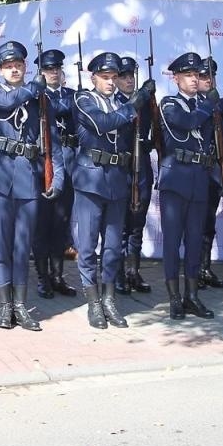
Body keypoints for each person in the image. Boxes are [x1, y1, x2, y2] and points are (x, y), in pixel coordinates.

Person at [71, 52, 154, 327]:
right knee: (87, 245)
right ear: (93, 77)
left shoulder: (122, 102)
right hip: (91, 180)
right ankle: (93, 302)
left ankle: (109, 299)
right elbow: (101, 124)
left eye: (114, 77)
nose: (110, 82)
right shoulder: (83, 99)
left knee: (112, 246)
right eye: (105, 77)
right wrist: (135, 105)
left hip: (118, 180)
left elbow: (136, 140)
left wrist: (142, 104)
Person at [0, 40, 55, 331]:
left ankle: (21, 305)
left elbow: (51, 136)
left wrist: (54, 174)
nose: (13, 69)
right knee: (0, 243)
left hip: (27, 174)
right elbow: (7, 104)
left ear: (25, 66)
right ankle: (4, 305)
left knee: (22, 245)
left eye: (18, 65)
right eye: (8, 66)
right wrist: (34, 88)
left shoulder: (38, 98)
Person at [157, 52, 223, 319]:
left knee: (195, 241)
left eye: (197, 75)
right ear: (176, 78)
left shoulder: (205, 104)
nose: (195, 80)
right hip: (175, 178)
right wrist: (210, 106)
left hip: (199, 176)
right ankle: (174, 298)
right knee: (173, 241)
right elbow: (186, 123)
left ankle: (192, 296)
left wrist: (218, 107)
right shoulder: (169, 103)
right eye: (188, 75)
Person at [33, 48, 77, 300]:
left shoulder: (72, 95)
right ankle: (42, 278)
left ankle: (58, 276)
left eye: (56, 69)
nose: (53, 73)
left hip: (68, 164)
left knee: (61, 223)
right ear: (41, 73)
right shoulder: (36, 97)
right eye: (48, 70)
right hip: (43, 166)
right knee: (42, 225)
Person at [194, 56, 223, 290]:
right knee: (195, 224)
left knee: (208, 223)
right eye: (203, 76)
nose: (208, 80)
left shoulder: (217, 102)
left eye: (211, 76)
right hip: (196, 171)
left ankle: (204, 268)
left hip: (213, 171)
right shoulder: (193, 102)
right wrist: (217, 106)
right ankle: (193, 272)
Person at [114, 56, 155, 295]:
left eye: (131, 76)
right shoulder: (113, 102)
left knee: (137, 224)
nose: (129, 80)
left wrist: (150, 100)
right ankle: (118, 274)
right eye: (123, 76)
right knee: (120, 226)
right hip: (122, 167)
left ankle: (133, 272)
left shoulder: (145, 102)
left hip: (142, 168)